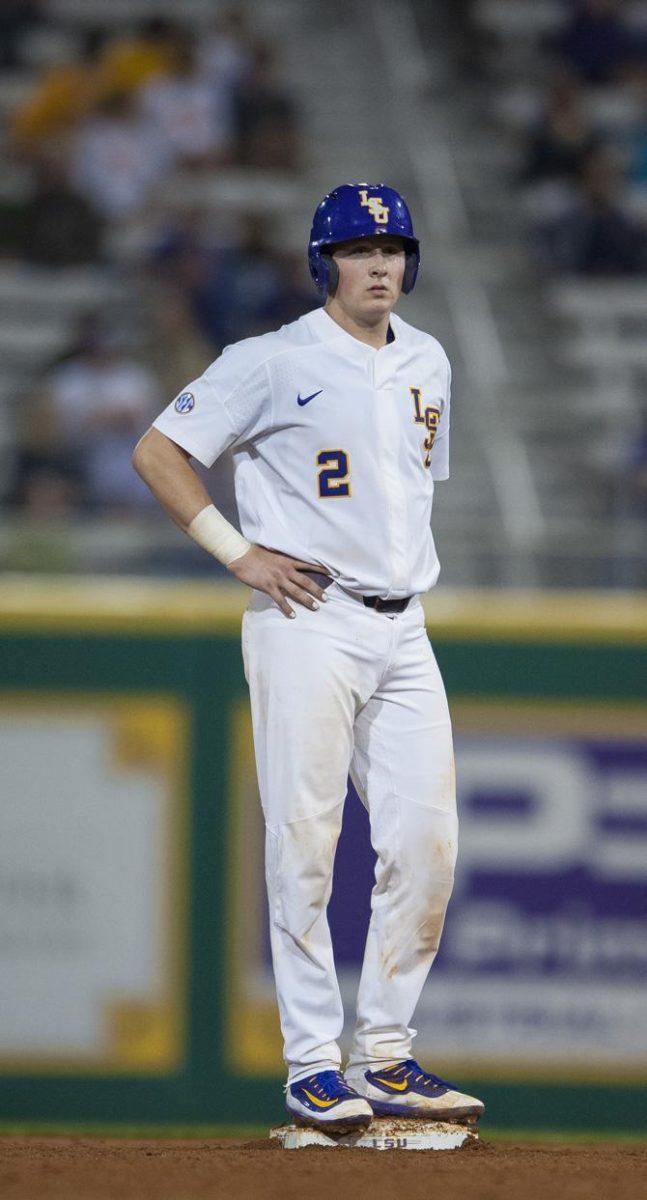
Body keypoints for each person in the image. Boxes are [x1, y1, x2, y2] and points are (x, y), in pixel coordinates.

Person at [132, 183, 484, 1133]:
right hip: (309, 618)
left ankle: (386, 1055)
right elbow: (160, 450)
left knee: (424, 844)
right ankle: (309, 1066)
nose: (379, 264)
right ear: (322, 262)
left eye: (393, 247)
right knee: (306, 846)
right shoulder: (272, 358)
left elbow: (408, 490)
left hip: (403, 624)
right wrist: (236, 553)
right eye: (358, 248)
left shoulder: (428, 359)